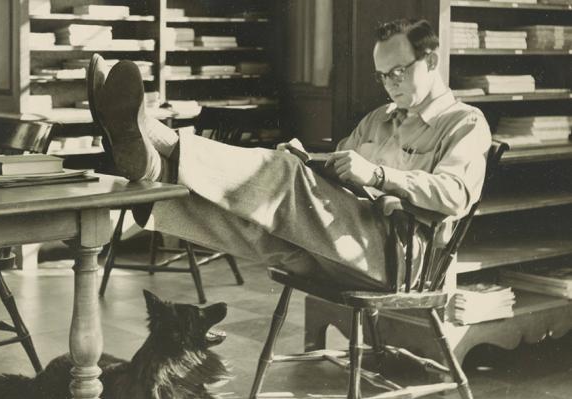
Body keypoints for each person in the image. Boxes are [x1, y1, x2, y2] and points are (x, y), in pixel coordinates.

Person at [90, 18, 492, 289]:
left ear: (432, 60)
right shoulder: (379, 118)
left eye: (397, 72)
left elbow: (455, 195)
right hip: (345, 241)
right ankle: (156, 173)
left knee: (282, 174)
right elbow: (336, 178)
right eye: (382, 75)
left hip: (399, 258)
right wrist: (313, 164)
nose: (389, 84)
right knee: (256, 224)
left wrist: (380, 176)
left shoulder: (465, 123)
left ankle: (163, 143)